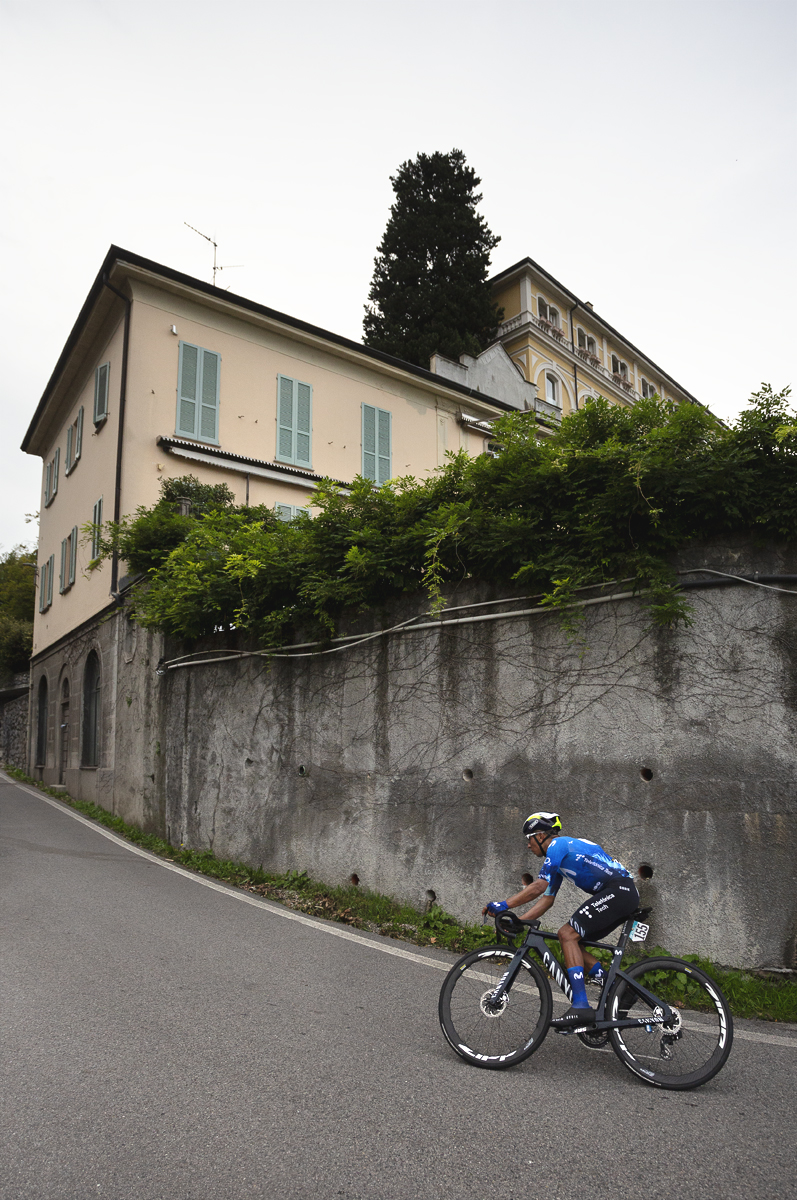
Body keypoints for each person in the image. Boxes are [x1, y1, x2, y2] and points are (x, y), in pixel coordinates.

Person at [482, 811, 639, 1026]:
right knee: (573, 942)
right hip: (620, 893)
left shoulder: (557, 846)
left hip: (619, 891)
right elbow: (547, 899)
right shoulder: (559, 858)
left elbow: (538, 886)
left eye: (529, 839)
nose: (528, 845)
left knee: (567, 934)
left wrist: (503, 905)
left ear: (540, 835)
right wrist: (520, 921)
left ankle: (581, 1006)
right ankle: (619, 991)